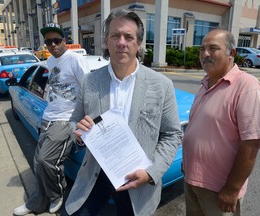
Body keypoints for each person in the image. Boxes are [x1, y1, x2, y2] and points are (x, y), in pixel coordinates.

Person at [61, 9, 182, 216]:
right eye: (115, 35)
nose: (121, 42)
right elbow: (74, 121)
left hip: (139, 178)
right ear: (106, 41)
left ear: (138, 43)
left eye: (129, 37)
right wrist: (79, 135)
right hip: (95, 174)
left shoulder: (162, 85)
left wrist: (151, 173)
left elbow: (172, 135)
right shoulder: (89, 82)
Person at [182, 29, 260, 216]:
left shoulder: (247, 86)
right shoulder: (205, 83)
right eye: (202, 49)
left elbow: (252, 143)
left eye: (213, 49)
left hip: (219, 190)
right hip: (192, 180)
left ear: (232, 53)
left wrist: (231, 189)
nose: (205, 54)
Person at [13, 23, 90, 215]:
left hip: (65, 120)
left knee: (47, 160)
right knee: (38, 163)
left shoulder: (74, 60)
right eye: (49, 42)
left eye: (57, 40)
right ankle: (36, 204)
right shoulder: (51, 62)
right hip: (48, 117)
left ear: (64, 41)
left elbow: (89, 89)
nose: (53, 44)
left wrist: (82, 121)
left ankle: (57, 194)